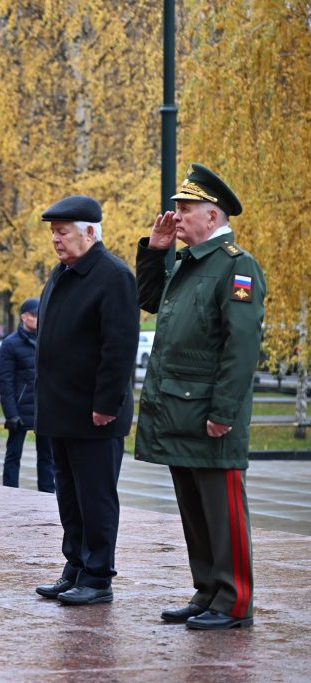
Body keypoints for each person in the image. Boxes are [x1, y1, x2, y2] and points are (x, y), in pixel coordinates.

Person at [135, 164, 264, 630]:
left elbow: (241, 345)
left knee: (222, 510)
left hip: (210, 413)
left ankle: (234, 601)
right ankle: (207, 590)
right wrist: (155, 250)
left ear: (212, 216)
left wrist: (224, 411)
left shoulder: (236, 265)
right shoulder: (189, 264)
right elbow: (148, 299)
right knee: (194, 508)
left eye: (185, 210)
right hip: (178, 407)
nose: (176, 216)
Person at [33, 195, 138, 605]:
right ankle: (74, 566)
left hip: (94, 413)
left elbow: (119, 347)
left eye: (63, 233)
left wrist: (107, 404)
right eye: (54, 234)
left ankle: (97, 577)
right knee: (70, 497)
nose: (56, 241)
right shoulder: (63, 272)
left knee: (95, 498)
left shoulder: (113, 276)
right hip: (60, 410)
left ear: (90, 233)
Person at [0, 297, 54, 492]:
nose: (38, 318)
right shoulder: (10, 345)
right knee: (13, 454)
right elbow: (5, 382)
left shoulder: (47, 340)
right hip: (20, 409)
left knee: (48, 457)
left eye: (41, 314)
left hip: (45, 408)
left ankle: (47, 494)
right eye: (34, 315)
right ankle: (10, 492)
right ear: (24, 317)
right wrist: (10, 414)